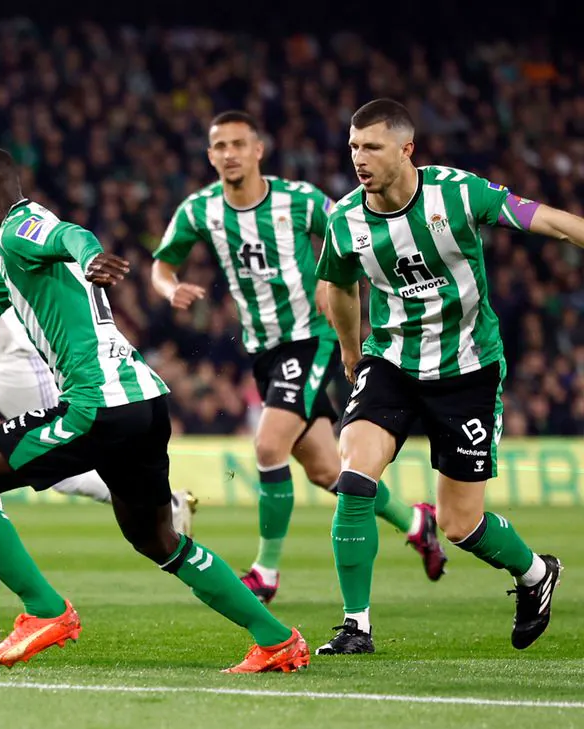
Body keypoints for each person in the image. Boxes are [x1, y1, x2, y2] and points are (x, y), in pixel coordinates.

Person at [0, 147, 311, 672]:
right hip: (142, 400)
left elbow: (71, 235)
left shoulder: (21, 229)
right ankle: (276, 639)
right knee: (158, 539)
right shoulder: (12, 253)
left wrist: (89, 256)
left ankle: (45, 609)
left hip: (96, 404)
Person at [0, 152, 197, 649]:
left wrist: (88, 255)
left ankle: (20, 605)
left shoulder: (8, 228)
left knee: (22, 471)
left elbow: (67, 235)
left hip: (27, 362)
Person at [151, 111, 443, 604]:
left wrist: (332, 280)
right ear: (210, 155)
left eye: (239, 144)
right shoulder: (199, 210)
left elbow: (351, 230)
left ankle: (265, 572)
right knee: (328, 472)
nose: (229, 154)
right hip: (263, 351)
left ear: (258, 150)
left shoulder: (300, 199)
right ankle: (417, 522)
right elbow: (162, 265)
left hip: (310, 339)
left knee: (268, 447)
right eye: (220, 146)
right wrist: (169, 287)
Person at [316, 98, 572, 654]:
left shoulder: (456, 193)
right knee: (354, 476)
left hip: (468, 371)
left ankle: (535, 574)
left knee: (460, 525)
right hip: (391, 361)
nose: (359, 158)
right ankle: (356, 625)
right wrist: (351, 351)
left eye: (372, 147)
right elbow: (339, 286)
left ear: (406, 149)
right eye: (354, 147)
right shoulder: (346, 219)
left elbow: (545, 219)